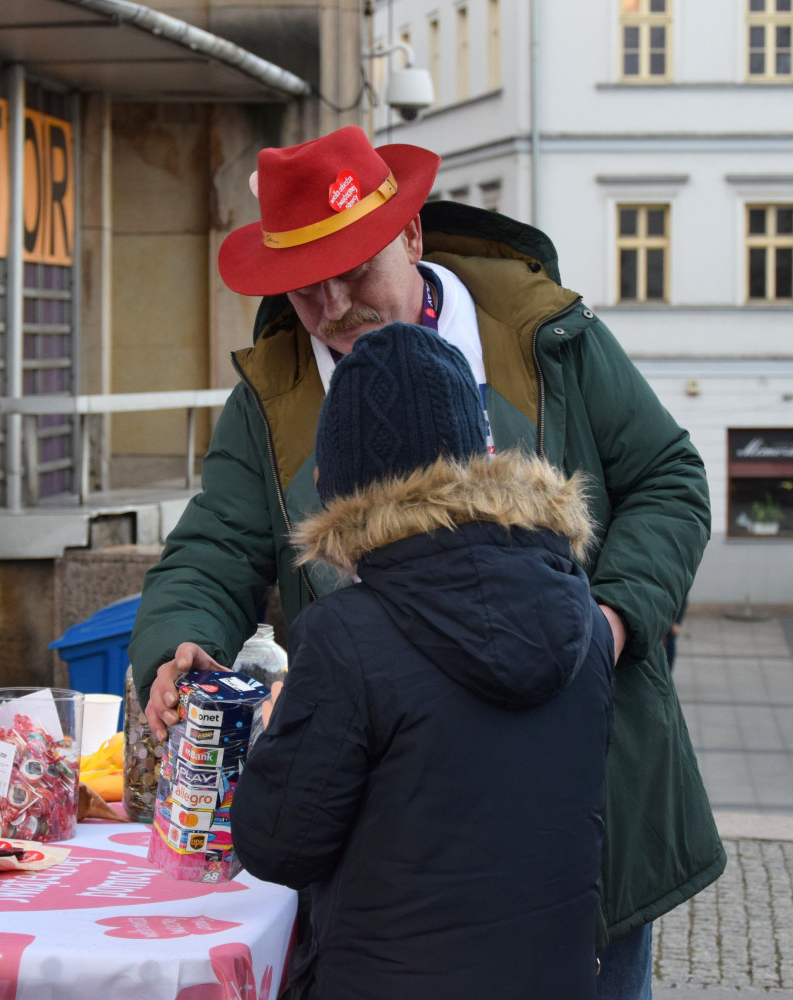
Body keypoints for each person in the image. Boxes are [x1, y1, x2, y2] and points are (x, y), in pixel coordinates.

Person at [128, 124, 726, 997]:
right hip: (399, 833)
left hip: (583, 804)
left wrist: (607, 622)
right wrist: (178, 641)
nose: (334, 306)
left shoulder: (540, 334)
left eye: (356, 270)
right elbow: (215, 546)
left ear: (409, 236)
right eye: (305, 288)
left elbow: (669, 479)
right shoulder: (274, 393)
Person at [230, 324, 615, 999]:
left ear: (344, 486)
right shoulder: (579, 613)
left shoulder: (346, 635)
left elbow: (278, 844)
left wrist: (276, 724)